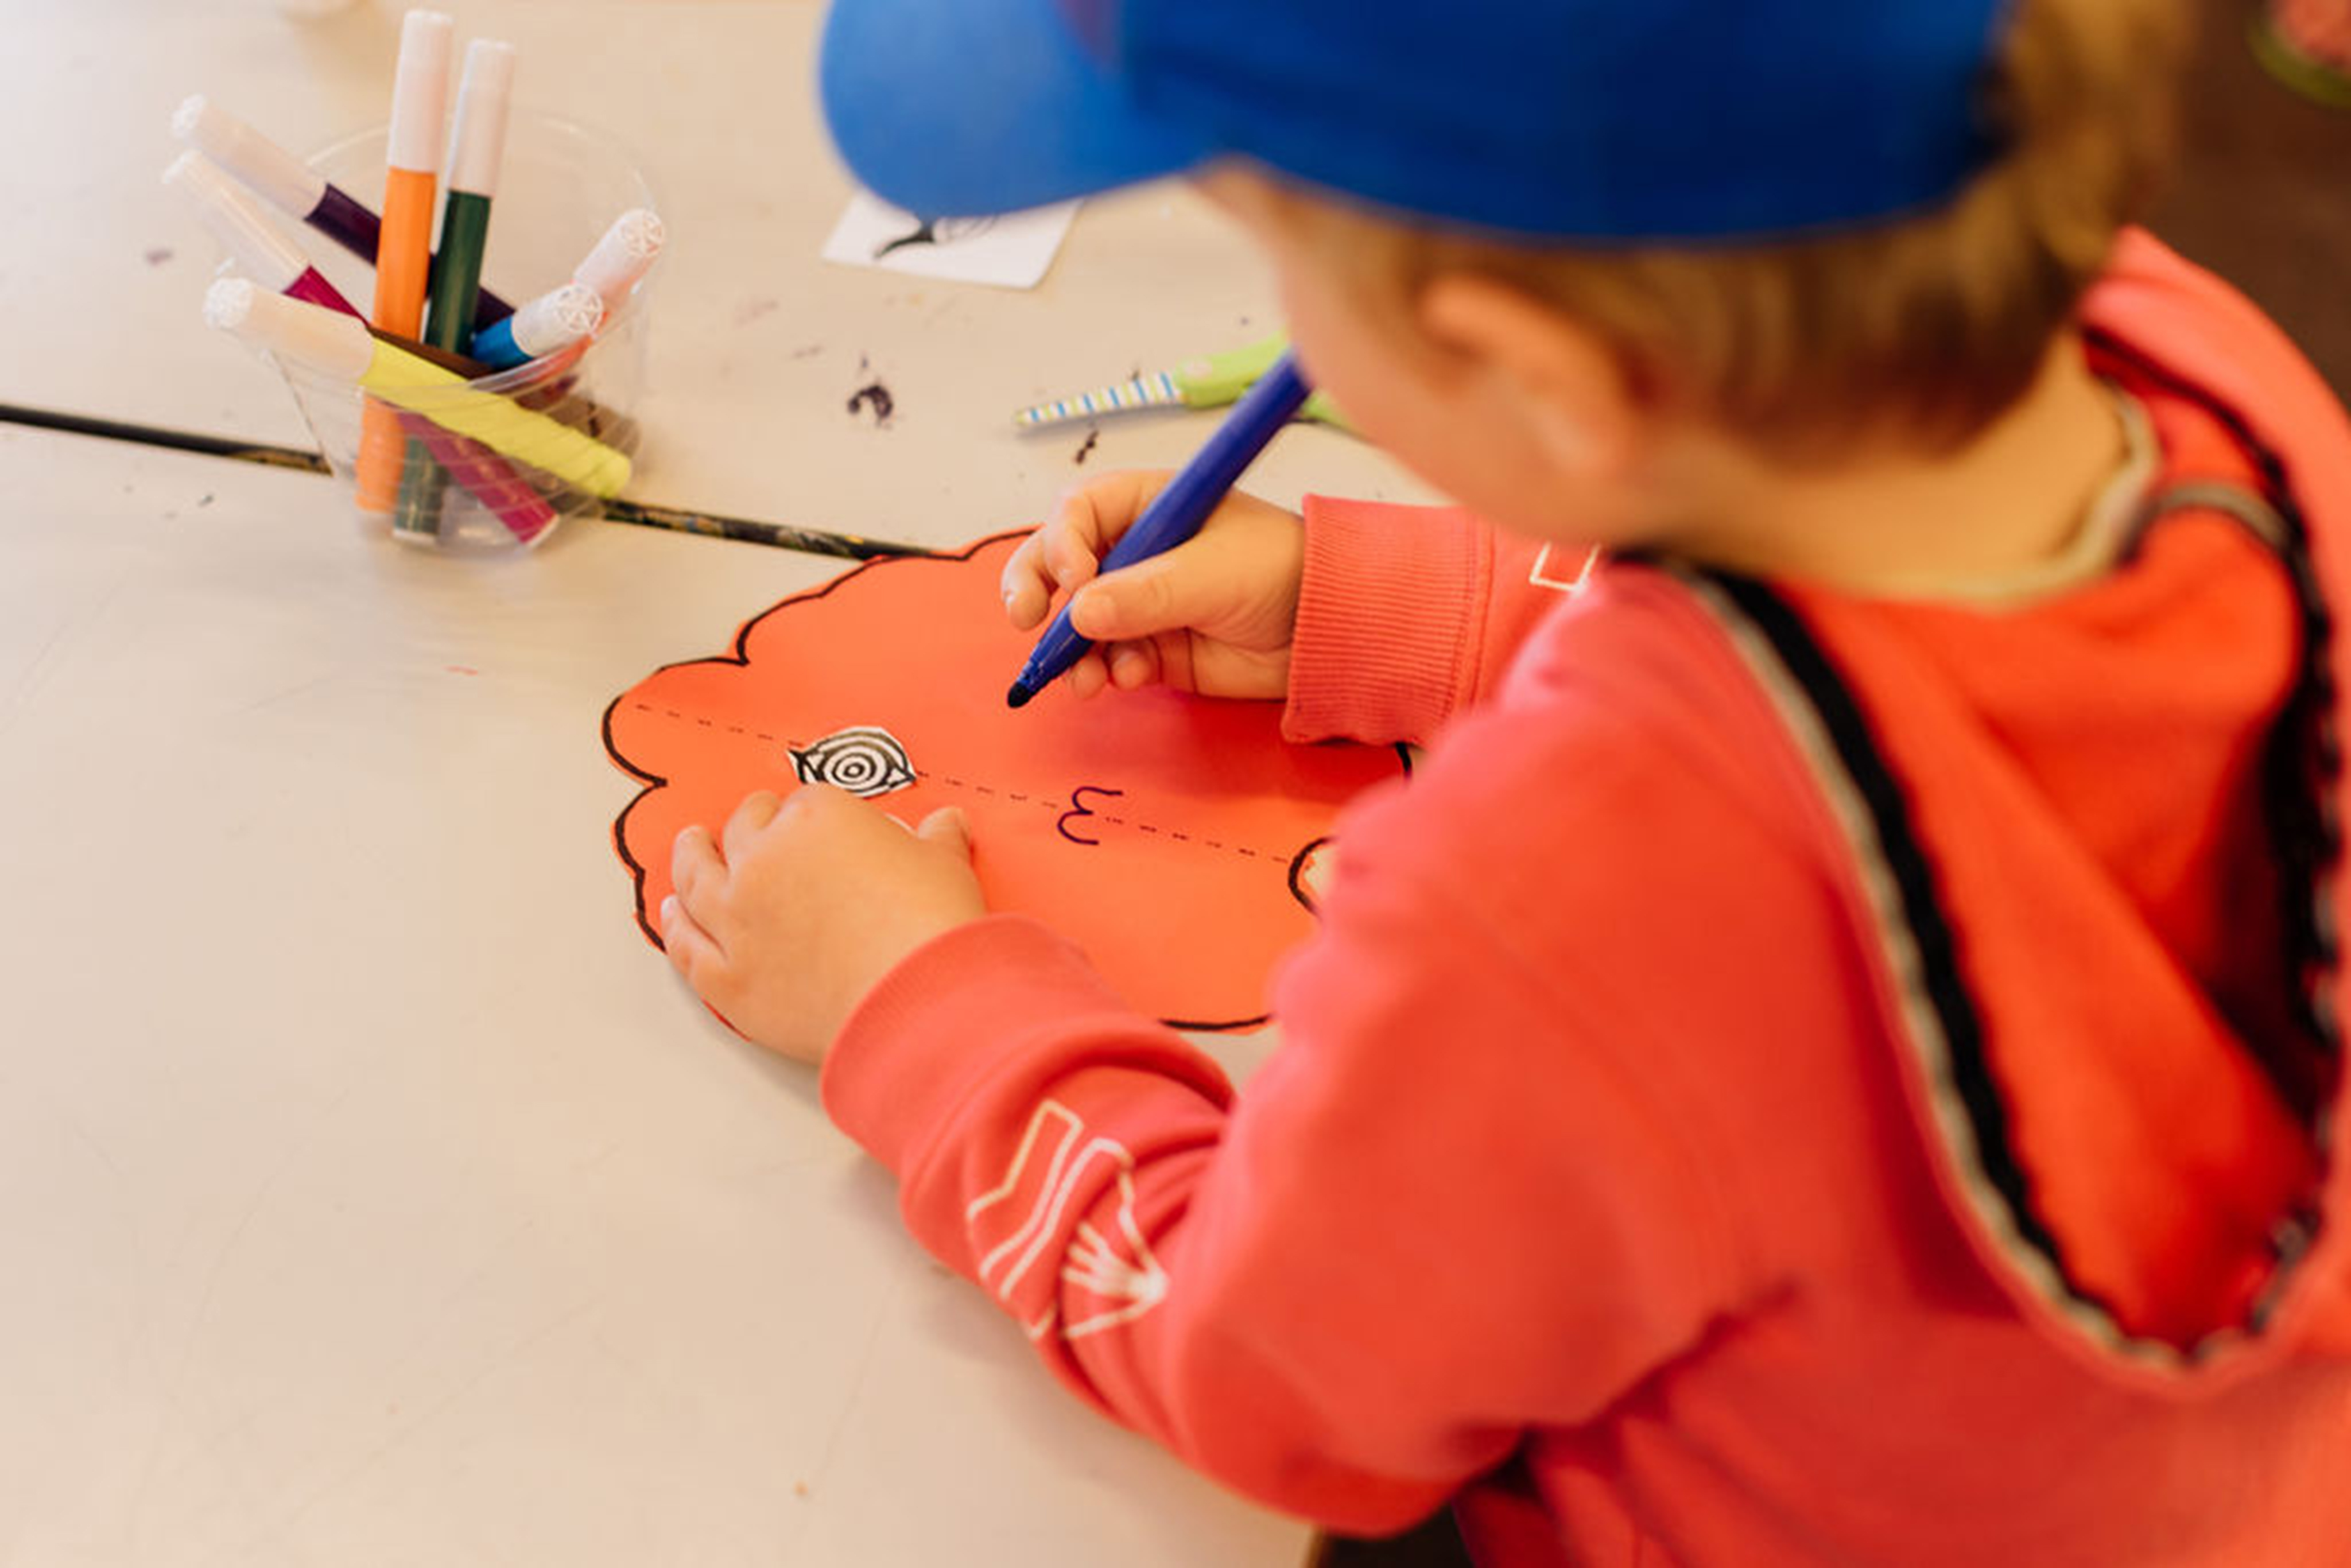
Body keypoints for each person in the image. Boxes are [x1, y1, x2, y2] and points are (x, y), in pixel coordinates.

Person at [656, 0, 2351, 1561]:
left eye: (1280, 278)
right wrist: (1413, 612)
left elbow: (1280, 1377)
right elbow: (1923, 687)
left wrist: (914, 1001)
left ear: (1532, 373)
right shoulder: (2196, 368)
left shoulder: (1558, 895)